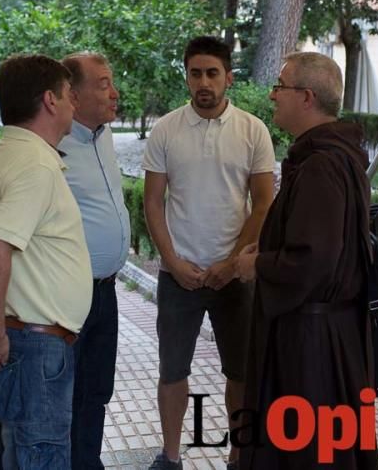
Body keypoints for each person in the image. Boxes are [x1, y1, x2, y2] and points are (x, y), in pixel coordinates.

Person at [233, 51, 377, 470]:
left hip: (310, 348)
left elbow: (313, 261)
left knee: (307, 455)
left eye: (281, 86)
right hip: (326, 334)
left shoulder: (322, 165)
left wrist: (256, 266)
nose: (273, 95)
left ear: (307, 97)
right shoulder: (332, 155)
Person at [142, 36, 276, 470]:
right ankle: (171, 455)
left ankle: (239, 457)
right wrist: (174, 263)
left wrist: (233, 263)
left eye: (212, 73)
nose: (203, 82)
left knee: (239, 373)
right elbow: (152, 203)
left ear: (228, 78)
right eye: (195, 72)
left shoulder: (253, 130)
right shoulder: (165, 129)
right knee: (172, 371)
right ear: (186, 76)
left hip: (235, 278)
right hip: (178, 277)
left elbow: (263, 203)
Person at [0, 54, 93, 469]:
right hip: (35, 349)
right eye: (68, 95)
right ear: (50, 100)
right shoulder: (36, 165)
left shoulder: (5, 153)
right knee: (37, 455)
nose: (74, 104)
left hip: (26, 340)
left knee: (10, 451)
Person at [60, 52, 131, 469]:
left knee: (96, 391)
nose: (114, 91)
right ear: (73, 93)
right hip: (68, 294)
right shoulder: (53, 142)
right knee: (64, 394)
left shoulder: (101, 135)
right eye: (103, 83)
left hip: (106, 292)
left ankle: (88, 462)